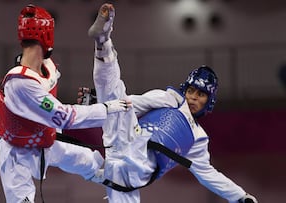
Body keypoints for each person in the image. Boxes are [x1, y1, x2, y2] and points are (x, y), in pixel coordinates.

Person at [81, 3, 258, 203]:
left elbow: (209, 175)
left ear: (209, 101)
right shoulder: (172, 99)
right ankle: (103, 40)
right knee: (116, 96)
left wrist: (241, 197)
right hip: (125, 142)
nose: (193, 97)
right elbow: (132, 103)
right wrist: (101, 104)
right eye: (191, 91)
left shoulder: (198, 139)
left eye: (201, 95)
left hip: (135, 174)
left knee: (110, 114)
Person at [0, 4, 131, 203]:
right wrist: (105, 108)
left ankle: (114, 183)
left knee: (88, 162)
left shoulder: (47, 68)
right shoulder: (20, 83)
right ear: (47, 35)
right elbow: (66, 117)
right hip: (17, 152)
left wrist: (89, 104)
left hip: (44, 137)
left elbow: (47, 107)